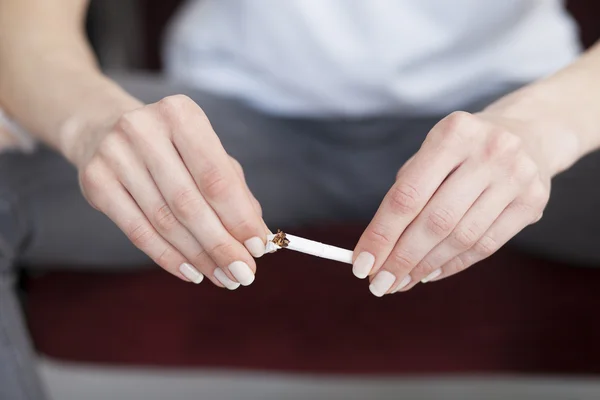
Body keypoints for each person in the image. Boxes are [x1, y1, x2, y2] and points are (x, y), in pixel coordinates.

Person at [1, 0, 599, 398]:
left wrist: (544, 127)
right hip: (225, 114)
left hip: (516, 110)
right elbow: (28, 26)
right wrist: (89, 122)